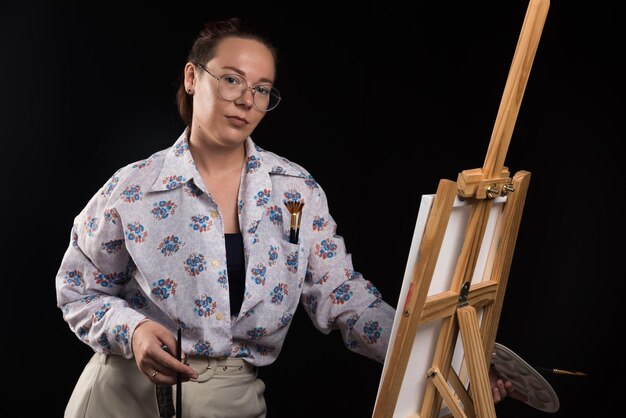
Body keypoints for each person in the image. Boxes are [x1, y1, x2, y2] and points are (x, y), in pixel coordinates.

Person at [56, 17, 519, 418]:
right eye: (232, 80)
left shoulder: (296, 190)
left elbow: (343, 298)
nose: (246, 100)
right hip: (118, 399)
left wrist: (454, 358)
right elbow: (78, 290)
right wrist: (132, 331)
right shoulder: (133, 186)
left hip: (230, 403)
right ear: (193, 77)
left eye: (261, 89)